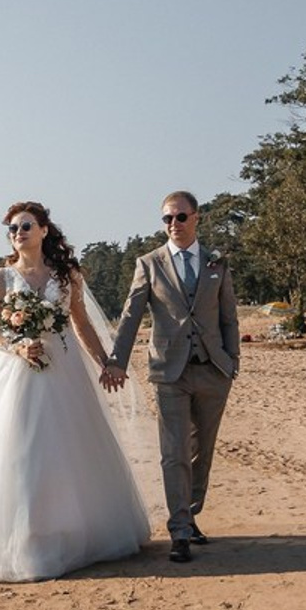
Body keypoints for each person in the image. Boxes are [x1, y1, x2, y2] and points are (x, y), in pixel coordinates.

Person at [0, 201, 151, 582]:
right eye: (12, 229)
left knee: (68, 449)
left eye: (25, 226)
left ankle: (78, 532)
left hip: (65, 371)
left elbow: (81, 325)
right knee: (20, 451)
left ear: (44, 229)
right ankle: (27, 537)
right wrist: (18, 347)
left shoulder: (67, 275)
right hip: (17, 374)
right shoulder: (2, 277)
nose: (18, 233)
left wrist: (104, 361)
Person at [103, 190, 240, 564]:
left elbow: (228, 316)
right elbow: (131, 317)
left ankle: (190, 513)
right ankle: (179, 531)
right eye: (167, 219)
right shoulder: (149, 263)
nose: (173, 225)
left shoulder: (217, 262)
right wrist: (116, 360)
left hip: (213, 370)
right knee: (173, 452)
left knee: (202, 450)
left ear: (196, 218)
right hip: (169, 372)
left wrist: (233, 361)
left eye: (180, 217)